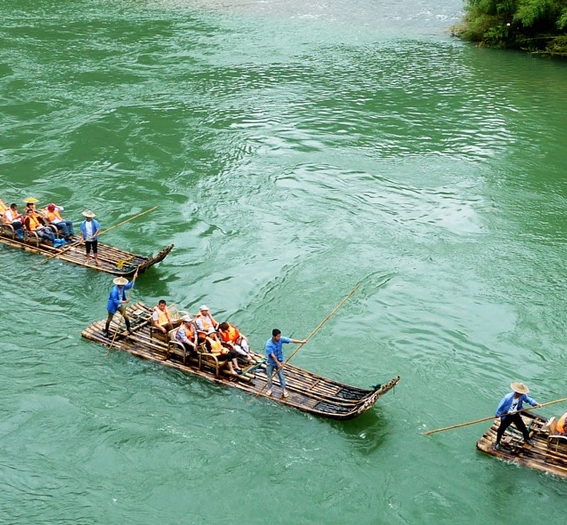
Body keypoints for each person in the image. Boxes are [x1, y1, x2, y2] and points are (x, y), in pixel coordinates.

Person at [494, 382, 542, 449]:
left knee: (523, 428)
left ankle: (526, 439)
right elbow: (500, 406)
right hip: (507, 415)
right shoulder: (507, 398)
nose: (522, 394)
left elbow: (528, 400)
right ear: (517, 392)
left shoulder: (522, 396)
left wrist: (536, 404)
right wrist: (497, 414)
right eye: (520, 392)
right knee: (501, 430)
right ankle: (497, 442)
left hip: (515, 414)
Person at [264, 329, 306, 398]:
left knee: (281, 376)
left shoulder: (280, 339)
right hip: (271, 362)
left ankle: (284, 390)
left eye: (280, 336)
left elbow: (290, 340)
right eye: (278, 336)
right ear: (274, 336)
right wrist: (278, 363)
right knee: (269, 376)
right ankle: (270, 389)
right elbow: (272, 355)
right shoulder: (269, 344)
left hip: (279, 360)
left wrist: (301, 342)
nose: (279, 337)